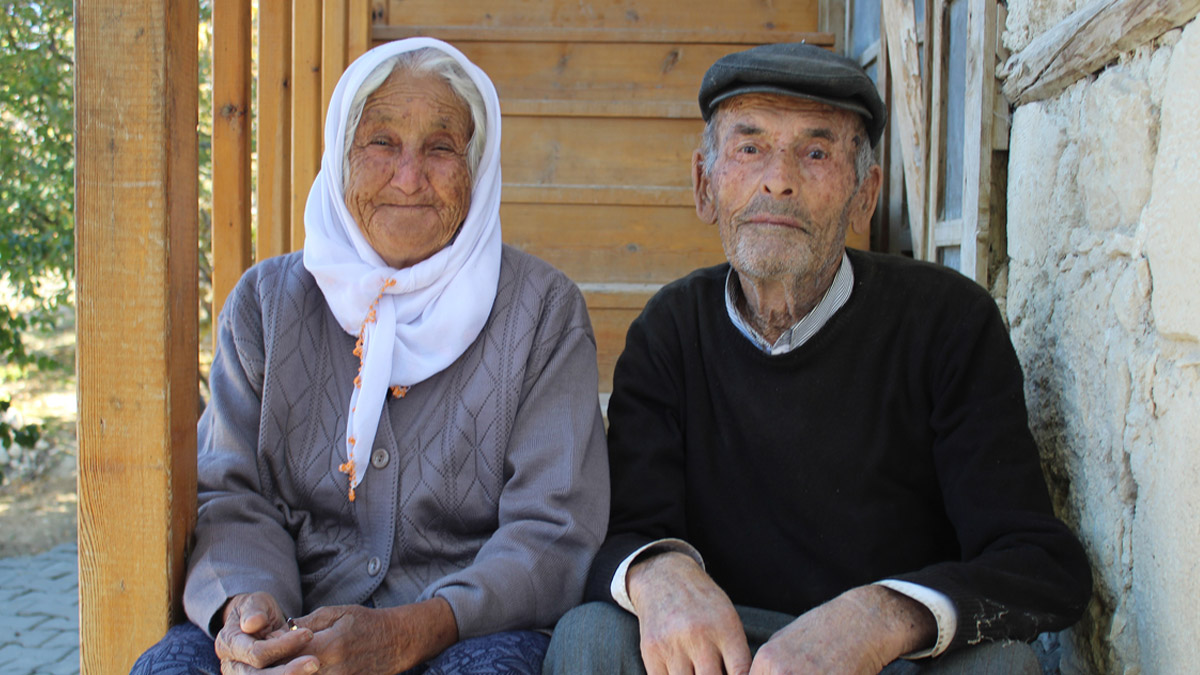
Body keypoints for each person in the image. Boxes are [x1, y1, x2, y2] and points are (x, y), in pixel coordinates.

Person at [544, 42, 1092, 674]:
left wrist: (881, 615)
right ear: (704, 185)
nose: (778, 178)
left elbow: (1038, 562)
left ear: (865, 196)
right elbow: (623, 529)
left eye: (815, 151)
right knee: (591, 637)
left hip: (887, 655)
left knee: (1005, 668)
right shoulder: (670, 331)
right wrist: (660, 572)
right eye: (749, 147)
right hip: (721, 654)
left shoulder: (949, 323)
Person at [131, 37, 609, 675]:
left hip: (465, 635)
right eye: (381, 142)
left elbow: (554, 531)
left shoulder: (542, 312)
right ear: (338, 157)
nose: (409, 178)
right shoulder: (268, 305)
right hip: (293, 624)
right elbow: (229, 495)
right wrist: (254, 616)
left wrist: (413, 631)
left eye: (441, 148)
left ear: (480, 166)